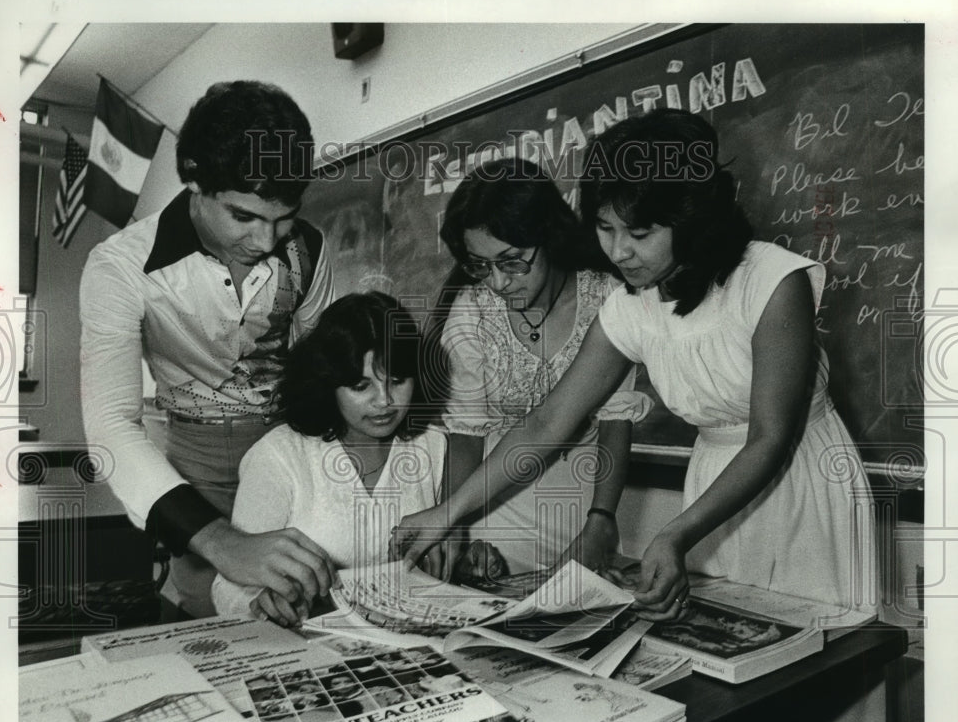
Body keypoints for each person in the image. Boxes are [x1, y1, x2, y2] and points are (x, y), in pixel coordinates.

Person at [394, 109, 877, 620]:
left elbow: (770, 437)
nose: (618, 250)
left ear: (689, 217)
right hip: (710, 490)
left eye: (640, 233)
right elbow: (546, 422)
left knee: (822, 648)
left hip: (802, 483)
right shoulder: (633, 304)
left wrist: (675, 532)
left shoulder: (773, 281)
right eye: (604, 228)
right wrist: (447, 513)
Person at [80, 81, 336, 617]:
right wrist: (221, 542)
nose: (266, 241)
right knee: (207, 615)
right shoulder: (120, 266)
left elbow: (318, 371)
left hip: (289, 451)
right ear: (194, 179)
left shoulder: (309, 248)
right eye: (244, 216)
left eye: (282, 216)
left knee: (304, 613)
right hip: (194, 465)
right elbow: (110, 425)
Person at [432, 157, 650, 574]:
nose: (497, 282)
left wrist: (601, 519)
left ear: (548, 236)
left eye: (512, 261)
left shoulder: (607, 299)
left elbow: (615, 422)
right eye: (481, 265)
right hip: (491, 509)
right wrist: (454, 524)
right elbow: (465, 436)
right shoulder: (472, 312)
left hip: (584, 511)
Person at [211, 292, 447, 624]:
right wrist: (261, 602)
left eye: (397, 381)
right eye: (361, 386)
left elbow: (443, 555)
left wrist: (468, 558)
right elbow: (228, 588)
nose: (384, 401)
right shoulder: (279, 456)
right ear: (328, 383)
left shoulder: (433, 446)